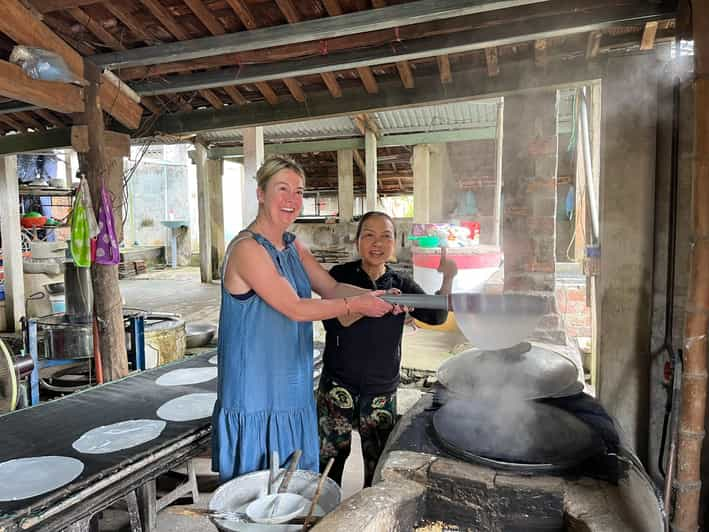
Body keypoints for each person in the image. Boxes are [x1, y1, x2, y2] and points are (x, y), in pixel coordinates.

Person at [212, 157, 395, 482]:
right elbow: (296, 307)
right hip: (256, 385)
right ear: (260, 193)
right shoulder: (247, 249)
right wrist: (358, 305)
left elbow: (330, 287)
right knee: (255, 489)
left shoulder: (293, 246)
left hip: (290, 383)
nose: (292, 200)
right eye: (282, 189)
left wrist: (384, 297)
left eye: (298, 191)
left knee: (291, 486)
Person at [317, 212, 458, 487]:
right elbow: (330, 321)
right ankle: (323, 519)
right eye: (369, 234)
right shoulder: (340, 276)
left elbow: (437, 317)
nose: (377, 242)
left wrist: (448, 278)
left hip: (380, 390)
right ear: (358, 241)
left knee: (378, 463)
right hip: (338, 386)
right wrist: (368, 304)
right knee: (329, 460)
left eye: (386, 236)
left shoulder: (401, 283)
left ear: (394, 244)